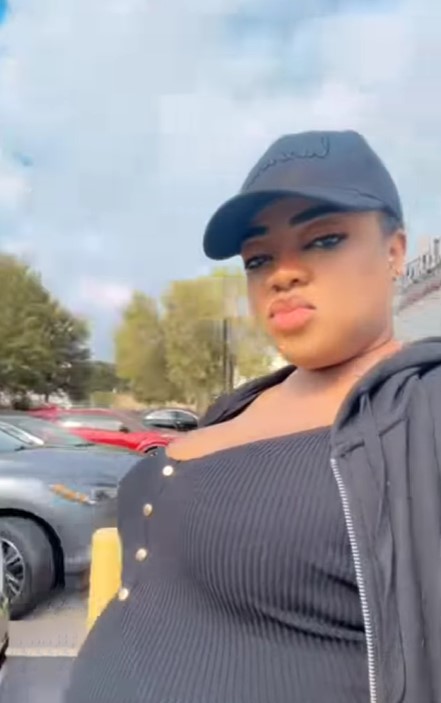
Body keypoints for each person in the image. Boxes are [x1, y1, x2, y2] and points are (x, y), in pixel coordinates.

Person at [64, 130, 441, 703]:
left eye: (324, 239)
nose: (281, 274)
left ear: (394, 251)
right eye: (258, 258)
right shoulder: (239, 404)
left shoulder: (422, 405)